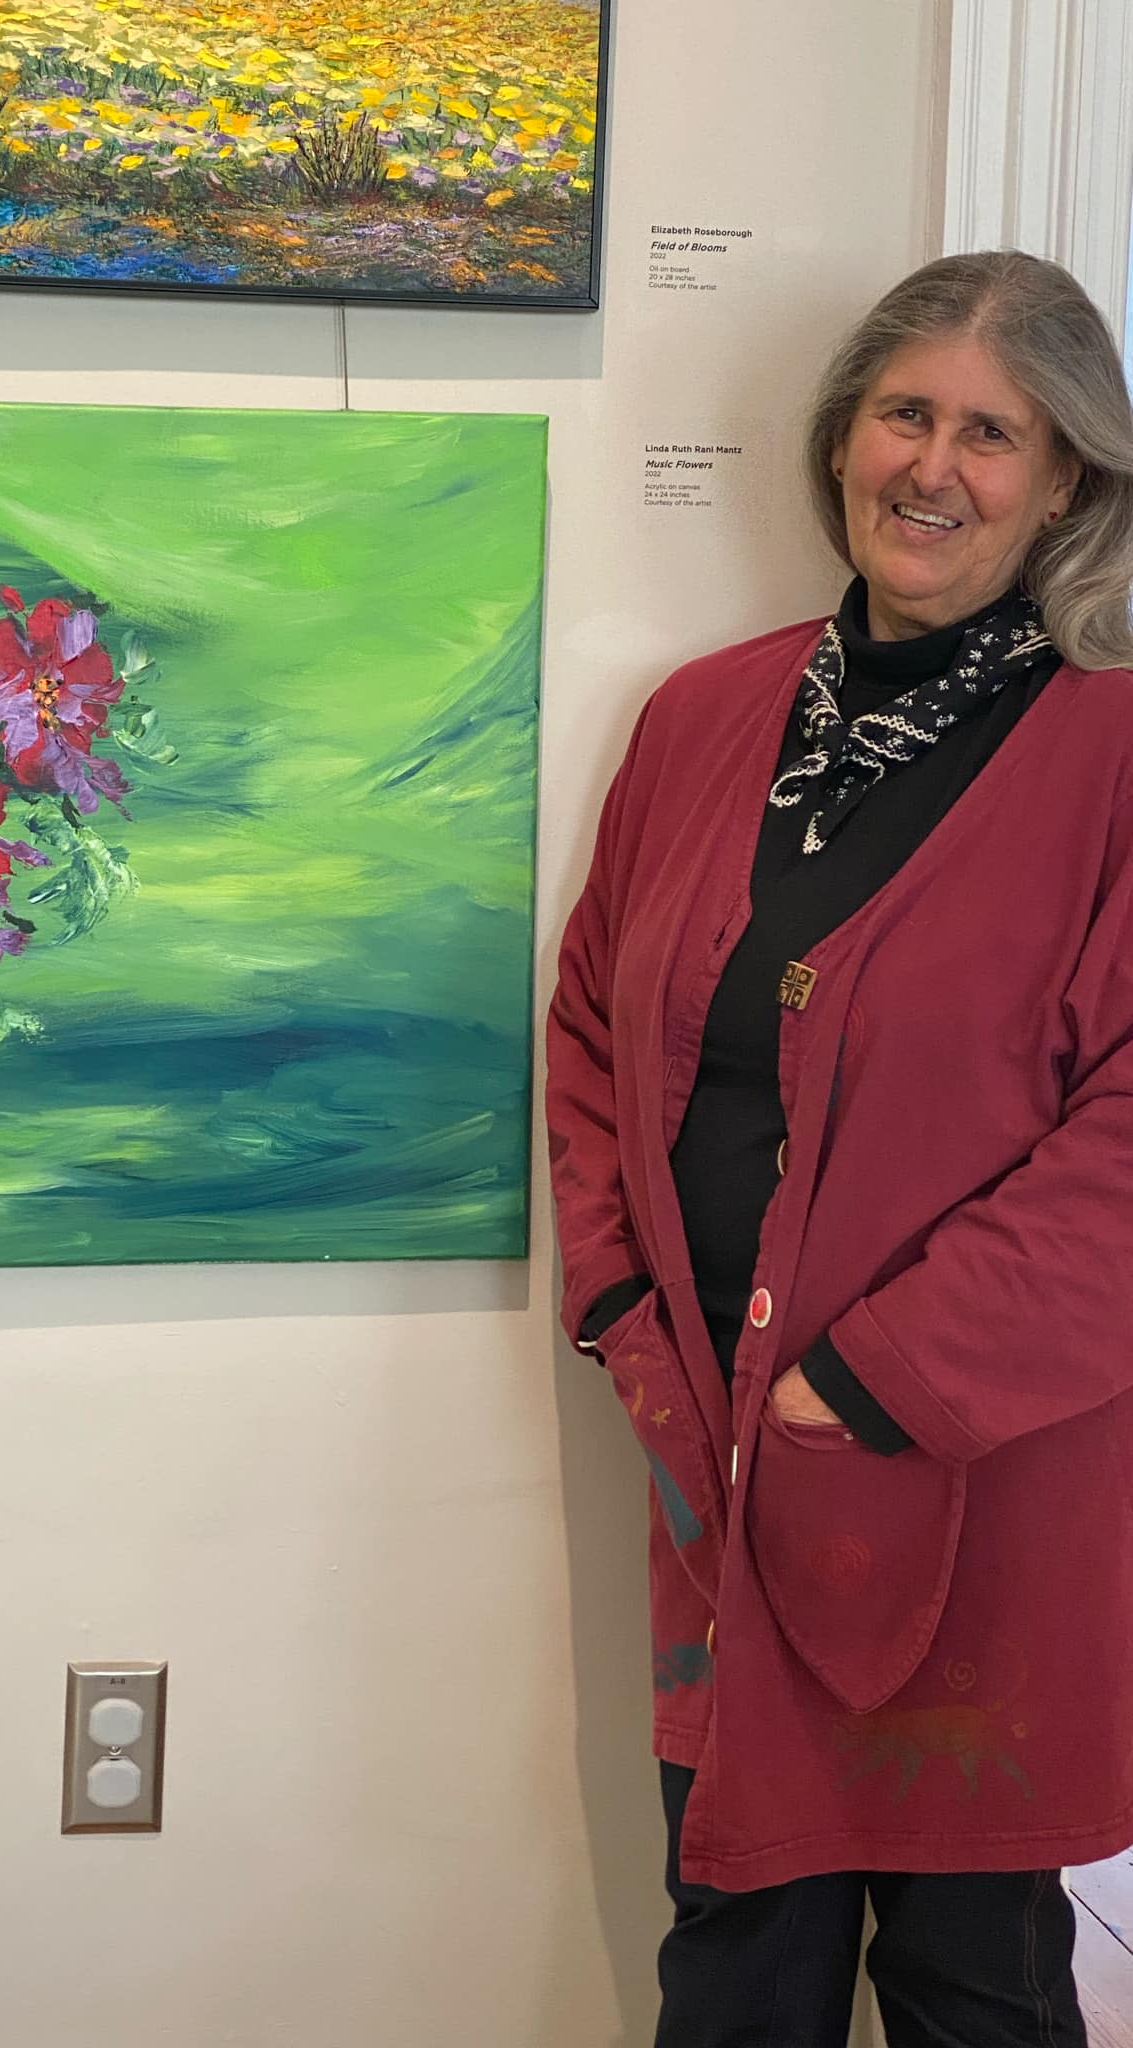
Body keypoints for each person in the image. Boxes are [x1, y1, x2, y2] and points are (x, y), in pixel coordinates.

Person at [546, 249, 1133, 2048]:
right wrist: (629, 1313)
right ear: (841, 440)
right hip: (714, 1478)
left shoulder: (1115, 747)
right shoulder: (703, 720)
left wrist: (868, 1387)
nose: (934, 468)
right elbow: (584, 1044)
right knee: (734, 1966)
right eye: (905, 414)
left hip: (976, 1495)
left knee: (977, 1986)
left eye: (993, 432)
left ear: (1066, 483)